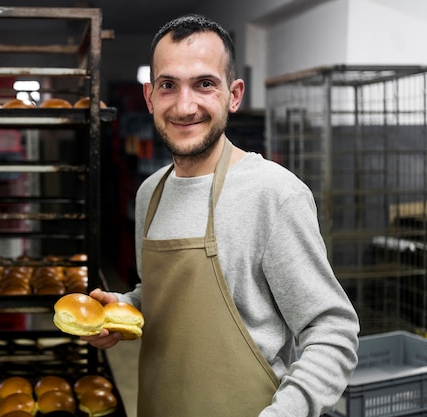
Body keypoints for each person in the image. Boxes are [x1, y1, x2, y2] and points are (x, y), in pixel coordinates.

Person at [83, 14, 360, 417]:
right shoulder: (151, 194)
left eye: (204, 84)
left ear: (234, 94)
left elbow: (333, 331)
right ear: (149, 97)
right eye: (168, 86)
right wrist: (124, 308)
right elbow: (164, 296)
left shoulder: (274, 194)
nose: (184, 105)